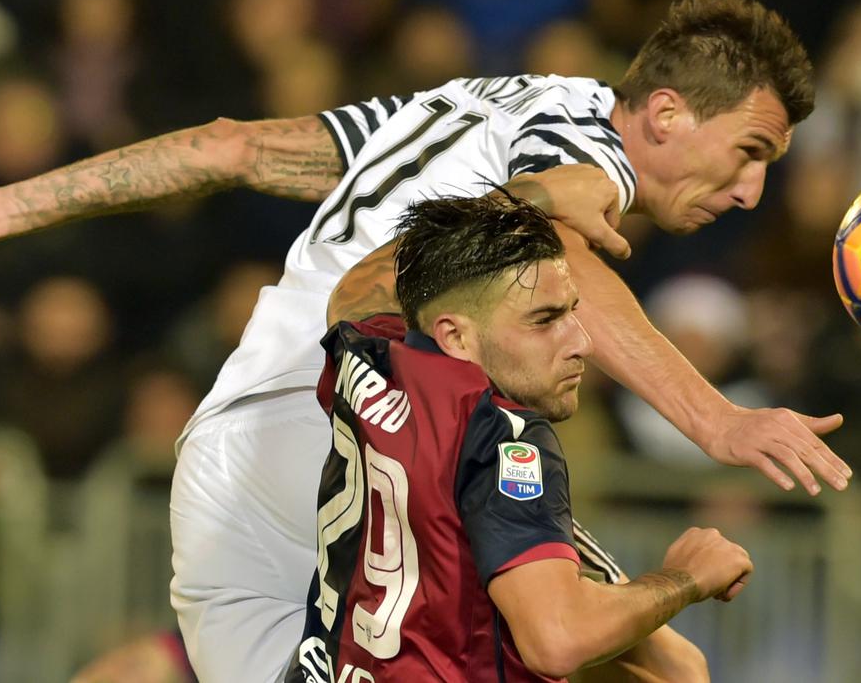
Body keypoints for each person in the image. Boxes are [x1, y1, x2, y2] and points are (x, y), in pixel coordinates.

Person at [0, 0, 851, 682]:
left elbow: (227, 146)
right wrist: (720, 423)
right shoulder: (583, 140)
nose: (752, 188)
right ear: (668, 115)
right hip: (364, 431)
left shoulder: (454, 106)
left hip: (225, 466)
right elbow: (562, 241)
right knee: (659, 662)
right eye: (750, 151)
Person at [289, 193, 751, 682]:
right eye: (544, 320)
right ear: (456, 336)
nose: (582, 343)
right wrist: (684, 578)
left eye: (572, 312)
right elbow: (556, 640)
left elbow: (358, 283)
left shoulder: (365, 353)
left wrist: (523, 203)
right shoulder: (507, 437)